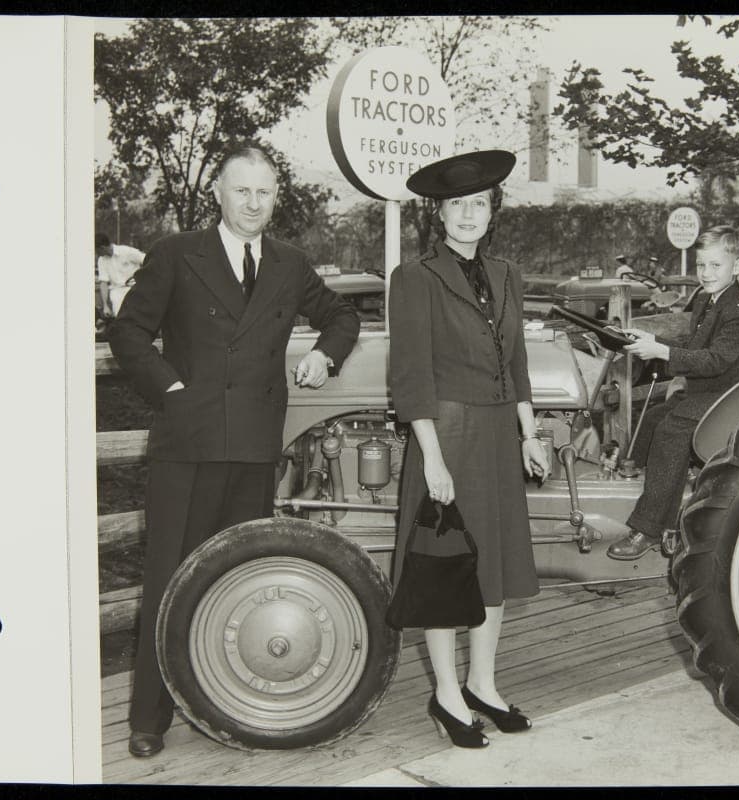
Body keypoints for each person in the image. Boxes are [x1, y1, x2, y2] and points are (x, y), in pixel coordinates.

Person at [107, 144, 361, 758]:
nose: (253, 203)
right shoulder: (174, 254)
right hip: (187, 444)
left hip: (252, 446)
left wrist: (324, 353)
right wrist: (169, 385)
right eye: (241, 190)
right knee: (170, 576)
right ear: (217, 193)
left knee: (239, 581)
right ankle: (150, 719)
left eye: (265, 192)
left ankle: (228, 704)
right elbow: (128, 331)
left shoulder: (290, 262)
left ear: (276, 198)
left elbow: (342, 316)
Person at [389, 150, 551, 748]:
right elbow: (411, 377)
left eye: (477, 203)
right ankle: (446, 695)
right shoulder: (415, 278)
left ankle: (482, 682)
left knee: (494, 566)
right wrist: (431, 456)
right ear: (439, 213)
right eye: (455, 204)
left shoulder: (508, 274)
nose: (467, 214)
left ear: (492, 211)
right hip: (447, 437)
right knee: (444, 570)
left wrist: (529, 434)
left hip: (497, 440)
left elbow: (517, 364)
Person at [608, 226, 739, 560]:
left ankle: (647, 530)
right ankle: (661, 515)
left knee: (671, 430)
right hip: (709, 390)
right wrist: (646, 341)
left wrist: (661, 353)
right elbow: (693, 348)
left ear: (736, 267)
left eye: (715, 266)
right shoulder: (708, 300)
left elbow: (716, 360)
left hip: (732, 396)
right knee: (651, 420)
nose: (706, 274)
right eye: (701, 266)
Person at [97, 235, 146, 318]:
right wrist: (105, 306)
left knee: (139, 316)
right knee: (120, 317)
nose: (96, 253)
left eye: (96, 251)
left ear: (102, 248)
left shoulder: (126, 251)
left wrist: (143, 276)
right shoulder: (101, 260)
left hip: (135, 288)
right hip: (116, 291)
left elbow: (147, 260)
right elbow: (103, 282)